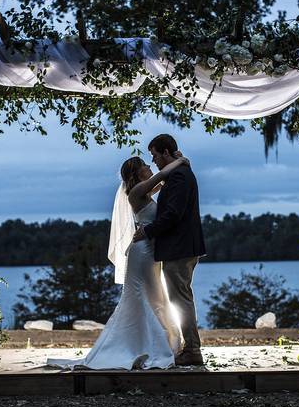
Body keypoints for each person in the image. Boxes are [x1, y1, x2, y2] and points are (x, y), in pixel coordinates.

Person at [47, 153, 189, 370]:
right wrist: (180, 161)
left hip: (150, 251)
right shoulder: (136, 191)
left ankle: (156, 343)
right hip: (141, 252)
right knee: (144, 296)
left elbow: (163, 182)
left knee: (155, 297)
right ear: (137, 171)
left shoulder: (144, 191)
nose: (149, 166)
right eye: (145, 165)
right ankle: (150, 346)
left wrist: (177, 167)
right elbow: (162, 175)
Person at [133, 134, 206, 366]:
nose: (153, 160)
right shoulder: (178, 173)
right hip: (182, 246)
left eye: (155, 154)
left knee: (180, 299)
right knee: (181, 297)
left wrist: (148, 231)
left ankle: (193, 350)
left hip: (179, 247)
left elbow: (172, 215)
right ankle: (190, 347)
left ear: (165, 152)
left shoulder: (179, 177)